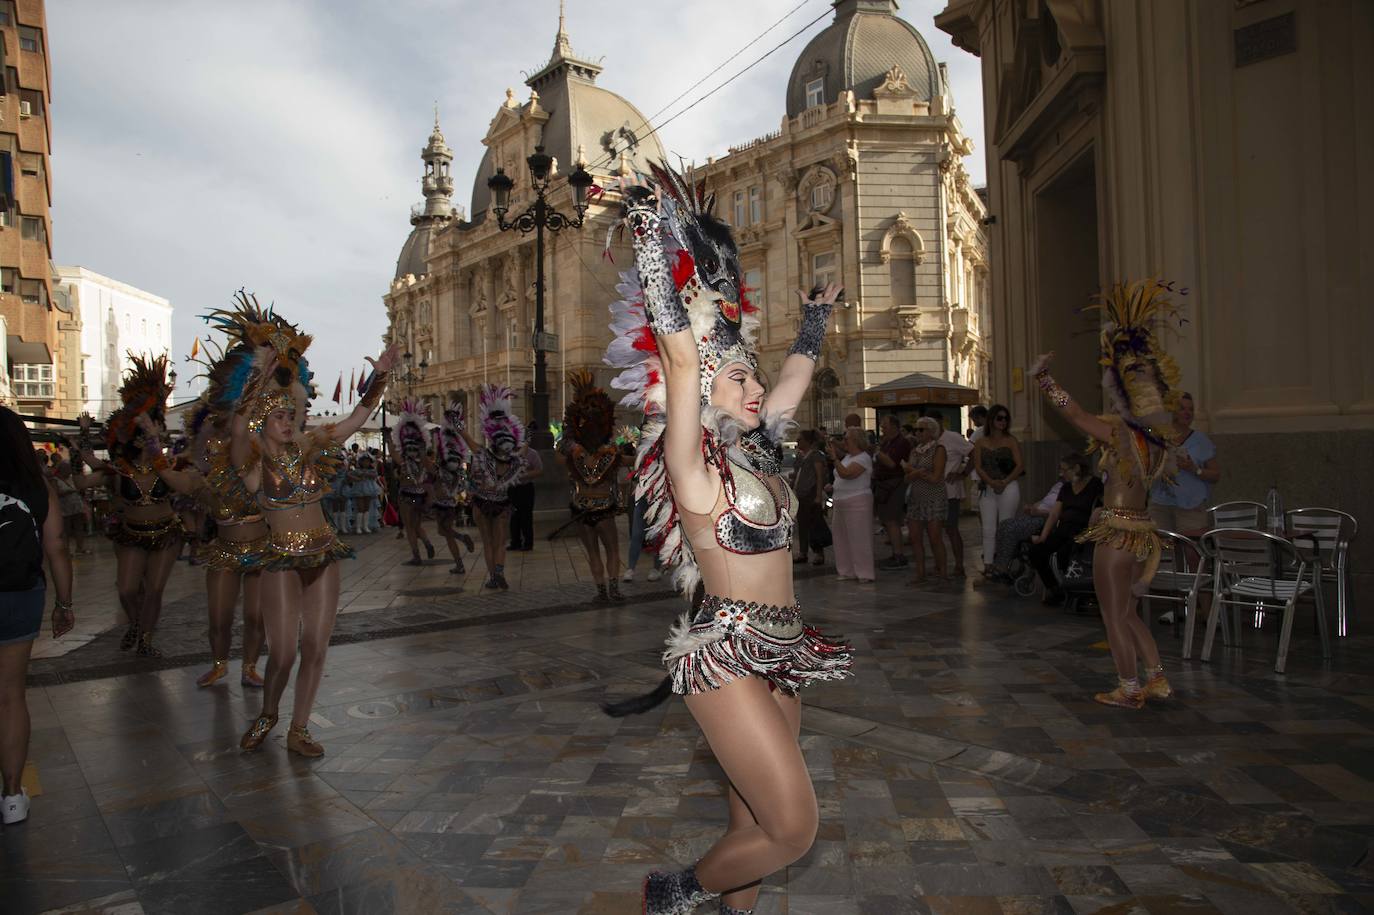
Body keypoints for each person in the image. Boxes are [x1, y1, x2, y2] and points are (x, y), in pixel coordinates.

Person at [599, 166, 852, 915]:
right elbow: (682, 355)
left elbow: (795, 381)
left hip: (786, 650)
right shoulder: (695, 468)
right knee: (795, 827)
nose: (754, 385)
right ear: (704, 388)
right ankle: (672, 893)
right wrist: (652, 235)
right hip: (726, 654)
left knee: (754, 819)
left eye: (754, 376)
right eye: (739, 375)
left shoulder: (764, 453)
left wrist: (811, 324)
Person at [208, 291, 397, 756]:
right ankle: (269, 713)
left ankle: (299, 727)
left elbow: (357, 417)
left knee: (315, 648)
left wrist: (381, 376)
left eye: (290, 414)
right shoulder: (252, 467)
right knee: (285, 653)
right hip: (279, 561)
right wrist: (259, 375)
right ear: (261, 424)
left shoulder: (312, 446)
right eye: (277, 417)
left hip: (323, 554)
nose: (288, 420)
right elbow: (236, 430)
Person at [1032, 278, 1183, 708]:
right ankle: (1156, 678)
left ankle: (1128, 687)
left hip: (1116, 535)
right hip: (1140, 533)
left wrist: (1043, 379)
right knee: (1129, 612)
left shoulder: (1121, 436)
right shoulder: (1157, 443)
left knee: (1112, 614)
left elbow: (1075, 413)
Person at [137, 403, 268, 689]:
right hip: (224, 552)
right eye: (212, 440)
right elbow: (170, 476)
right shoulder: (202, 479)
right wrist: (152, 441)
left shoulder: (254, 470)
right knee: (219, 617)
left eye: (224, 438)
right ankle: (219, 665)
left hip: (260, 551)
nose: (217, 445)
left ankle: (250, 668)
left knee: (255, 617)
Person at [77, 355, 182, 658]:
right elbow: (84, 476)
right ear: (134, 441)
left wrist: (153, 434)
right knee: (126, 589)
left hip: (165, 534)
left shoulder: (169, 465)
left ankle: (146, 639)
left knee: (154, 591)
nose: (156, 436)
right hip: (131, 534)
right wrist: (83, 434)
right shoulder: (119, 470)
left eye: (157, 432)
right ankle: (135, 624)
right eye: (148, 435)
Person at [0, 407, 75, 826]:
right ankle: (12, 795)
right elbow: (57, 546)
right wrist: (64, 603)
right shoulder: (36, 485)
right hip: (19, 595)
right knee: (10, 695)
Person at [558, 371, 625, 601]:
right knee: (610, 549)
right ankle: (611, 590)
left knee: (595, 551)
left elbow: (562, 450)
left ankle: (604, 591)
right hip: (600, 506)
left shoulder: (574, 452)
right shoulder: (607, 452)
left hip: (582, 505)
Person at [460, 384, 526, 590]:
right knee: (500, 542)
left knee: (488, 542)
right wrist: (529, 436)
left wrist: (458, 425)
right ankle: (499, 573)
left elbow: (467, 437)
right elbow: (524, 449)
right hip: (502, 504)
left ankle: (493, 578)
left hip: (481, 503)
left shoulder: (481, 454)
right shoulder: (514, 460)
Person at [1028, 452, 1103, 605]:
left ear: (1076, 468)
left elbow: (1102, 507)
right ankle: (1055, 588)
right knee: (1036, 551)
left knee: (1063, 555)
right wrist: (1043, 536)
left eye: (1064, 470)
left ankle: (1073, 589)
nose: (1061, 474)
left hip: (1083, 532)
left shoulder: (1095, 484)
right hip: (1064, 529)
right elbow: (1055, 513)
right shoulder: (1066, 488)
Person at [1149, 392, 1219, 536]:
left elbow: (1216, 475)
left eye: (1191, 409)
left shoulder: (1200, 440)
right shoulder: (1158, 438)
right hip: (1161, 504)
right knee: (1159, 550)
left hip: (1191, 506)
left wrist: (1194, 469)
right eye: (1182, 408)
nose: (1187, 413)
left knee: (1191, 550)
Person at [973, 404, 1024, 573]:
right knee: (988, 529)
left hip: (1008, 487)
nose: (1003, 422)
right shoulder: (980, 442)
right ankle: (988, 566)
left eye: (1005, 419)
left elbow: (1019, 465)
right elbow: (978, 467)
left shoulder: (1011, 441)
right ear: (991, 420)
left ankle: (1003, 565)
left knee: (1005, 527)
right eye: (999, 418)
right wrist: (991, 482)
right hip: (988, 488)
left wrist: (1004, 481)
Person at [987, 478, 1064, 581]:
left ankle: (1002, 568)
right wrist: (1031, 508)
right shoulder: (1058, 484)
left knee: (1010, 528)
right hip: (1037, 515)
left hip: (1047, 520)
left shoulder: (1068, 489)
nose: (1061, 473)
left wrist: (1039, 513)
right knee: (1003, 524)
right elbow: (1043, 502)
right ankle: (1001, 564)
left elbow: (1058, 514)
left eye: (1063, 470)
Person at [430, 402, 476, 574]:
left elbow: (438, 459)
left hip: (444, 498)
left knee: (446, 532)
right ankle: (459, 563)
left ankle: (461, 547)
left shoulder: (444, 458)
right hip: (450, 497)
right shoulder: (454, 451)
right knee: (444, 531)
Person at [902, 416, 947, 585]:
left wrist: (915, 473)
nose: (917, 432)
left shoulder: (938, 449)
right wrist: (915, 473)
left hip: (934, 498)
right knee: (915, 538)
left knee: (935, 537)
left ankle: (942, 573)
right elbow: (906, 478)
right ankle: (920, 573)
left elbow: (936, 477)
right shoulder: (914, 451)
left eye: (921, 429)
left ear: (931, 431)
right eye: (916, 429)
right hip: (915, 498)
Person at [390, 401, 437, 565]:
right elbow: (433, 472)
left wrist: (388, 439)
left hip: (406, 495)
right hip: (420, 495)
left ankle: (416, 555)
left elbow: (394, 454)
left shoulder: (403, 461)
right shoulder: (424, 460)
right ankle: (427, 543)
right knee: (417, 525)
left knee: (410, 527)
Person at [828, 428, 875, 583]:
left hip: (857, 502)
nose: (844, 442)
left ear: (856, 441)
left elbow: (847, 474)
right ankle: (846, 570)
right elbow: (841, 476)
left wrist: (834, 459)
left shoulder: (863, 458)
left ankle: (864, 573)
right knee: (841, 538)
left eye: (846, 439)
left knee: (859, 538)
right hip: (840, 501)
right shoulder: (848, 457)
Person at [872, 415, 911, 569]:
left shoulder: (901, 442)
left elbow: (891, 463)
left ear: (894, 426)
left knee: (892, 520)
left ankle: (898, 555)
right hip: (884, 485)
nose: (882, 429)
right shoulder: (887, 442)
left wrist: (877, 452)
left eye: (885, 426)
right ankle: (896, 553)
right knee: (887, 520)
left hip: (894, 485)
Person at [938, 416, 974, 576]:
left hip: (950, 491)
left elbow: (973, 453)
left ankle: (959, 565)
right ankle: (940, 565)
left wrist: (963, 473)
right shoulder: (929, 441)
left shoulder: (951, 437)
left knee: (951, 529)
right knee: (935, 530)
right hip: (934, 492)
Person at [792, 430, 829, 566]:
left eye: (800, 439)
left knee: (814, 524)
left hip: (811, 493)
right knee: (802, 524)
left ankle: (819, 553)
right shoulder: (801, 456)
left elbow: (819, 476)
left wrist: (819, 496)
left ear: (808, 441)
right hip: (801, 494)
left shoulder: (816, 456)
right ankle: (803, 552)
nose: (798, 442)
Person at [507, 426, 542, 552]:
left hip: (526, 488)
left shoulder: (532, 454)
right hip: (512, 489)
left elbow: (539, 470)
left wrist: (523, 475)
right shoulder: (508, 454)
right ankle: (515, 542)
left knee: (526, 516)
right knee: (513, 517)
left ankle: (528, 543)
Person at [51, 462, 89, 556]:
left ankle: (80, 548)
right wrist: (68, 491)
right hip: (64, 507)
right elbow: (55, 494)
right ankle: (66, 550)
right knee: (66, 530)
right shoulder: (55, 480)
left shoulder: (72, 478)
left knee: (79, 527)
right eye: (68, 469)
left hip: (76, 506)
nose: (69, 471)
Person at [352, 449, 382, 533]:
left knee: (366, 508)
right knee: (360, 508)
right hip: (359, 489)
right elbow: (350, 476)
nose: (366, 463)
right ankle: (358, 527)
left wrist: (366, 474)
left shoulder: (372, 471)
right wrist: (358, 477)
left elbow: (374, 476)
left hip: (369, 489)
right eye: (364, 461)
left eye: (367, 462)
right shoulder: (357, 471)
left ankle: (365, 526)